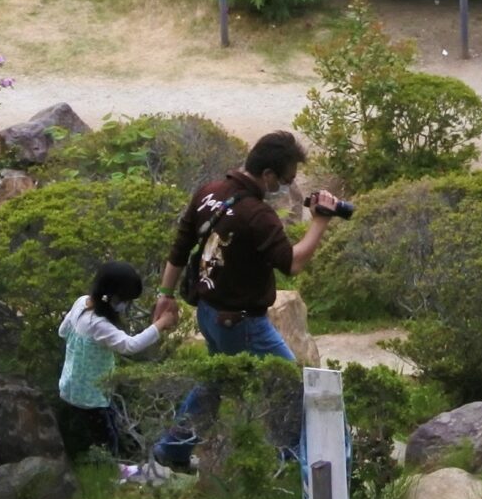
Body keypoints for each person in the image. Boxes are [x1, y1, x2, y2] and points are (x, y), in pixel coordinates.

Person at [152, 132, 344, 472]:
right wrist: (319, 223)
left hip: (209, 313)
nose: (286, 187)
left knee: (218, 379)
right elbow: (292, 263)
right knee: (290, 387)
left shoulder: (208, 192)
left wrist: (164, 296)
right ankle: (290, 459)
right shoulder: (258, 216)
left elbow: (180, 249)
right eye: (285, 180)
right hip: (242, 323)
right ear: (267, 174)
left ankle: (174, 448)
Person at [58, 263, 179, 465]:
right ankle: (108, 474)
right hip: (91, 396)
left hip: (72, 386)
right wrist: (161, 323)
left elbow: (62, 331)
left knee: (107, 427)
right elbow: (130, 346)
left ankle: (107, 467)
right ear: (113, 298)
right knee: (107, 439)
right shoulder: (98, 324)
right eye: (125, 300)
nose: (126, 306)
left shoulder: (81, 304)